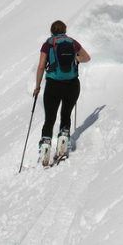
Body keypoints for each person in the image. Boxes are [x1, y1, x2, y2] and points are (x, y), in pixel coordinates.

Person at [33, 20, 91, 164]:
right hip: (72, 84)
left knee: (50, 118)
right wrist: (74, 58)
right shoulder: (72, 42)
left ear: (51, 31)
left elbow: (41, 66)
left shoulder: (48, 44)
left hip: (53, 85)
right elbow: (87, 57)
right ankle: (63, 142)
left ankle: (45, 149)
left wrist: (38, 86)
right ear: (65, 30)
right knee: (66, 114)